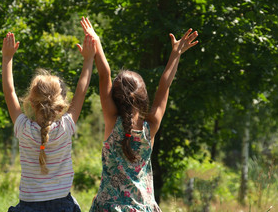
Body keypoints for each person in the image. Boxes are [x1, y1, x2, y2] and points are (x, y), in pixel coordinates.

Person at [79, 17, 198, 211]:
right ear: (143, 98)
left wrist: (96, 43)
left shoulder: (112, 121)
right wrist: (175, 53)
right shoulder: (150, 127)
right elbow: (164, 86)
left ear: (115, 98)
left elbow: (104, 75)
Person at [2, 31, 96, 212]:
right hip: (63, 205)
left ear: (30, 101)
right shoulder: (65, 128)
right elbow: (81, 91)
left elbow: (10, 92)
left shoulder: (23, 129)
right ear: (61, 104)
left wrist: (7, 58)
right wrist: (88, 60)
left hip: (29, 206)